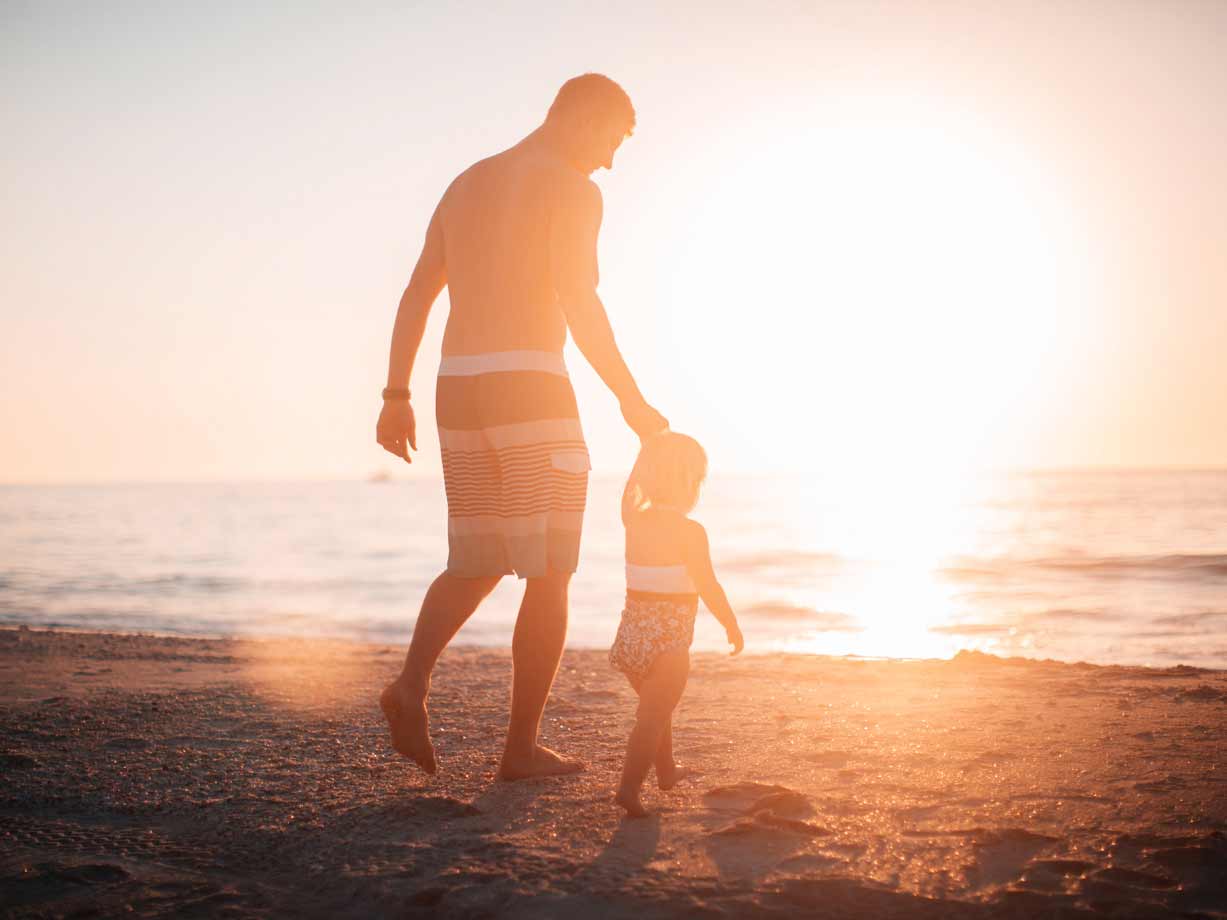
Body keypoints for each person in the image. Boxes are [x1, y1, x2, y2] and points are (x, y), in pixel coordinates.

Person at [375, 74, 668, 780]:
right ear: (580, 117)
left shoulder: (467, 181)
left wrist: (394, 394)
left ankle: (410, 684)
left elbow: (419, 290)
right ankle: (519, 750)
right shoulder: (571, 188)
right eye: (611, 140)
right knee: (550, 569)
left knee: (477, 558)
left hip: (457, 388)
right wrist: (631, 400)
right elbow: (579, 301)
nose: (609, 161)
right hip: (530, 385)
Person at [610, 432, 743, 817]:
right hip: (669, 642)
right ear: (690, 485)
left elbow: (628, 492)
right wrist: (730, 625)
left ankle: (666, 771)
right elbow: (708, 585)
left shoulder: (633, 520)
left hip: (632, 639)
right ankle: (628, 790)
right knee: (652, 716)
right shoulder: (690, 532)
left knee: (656, 707)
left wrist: (643, 451)